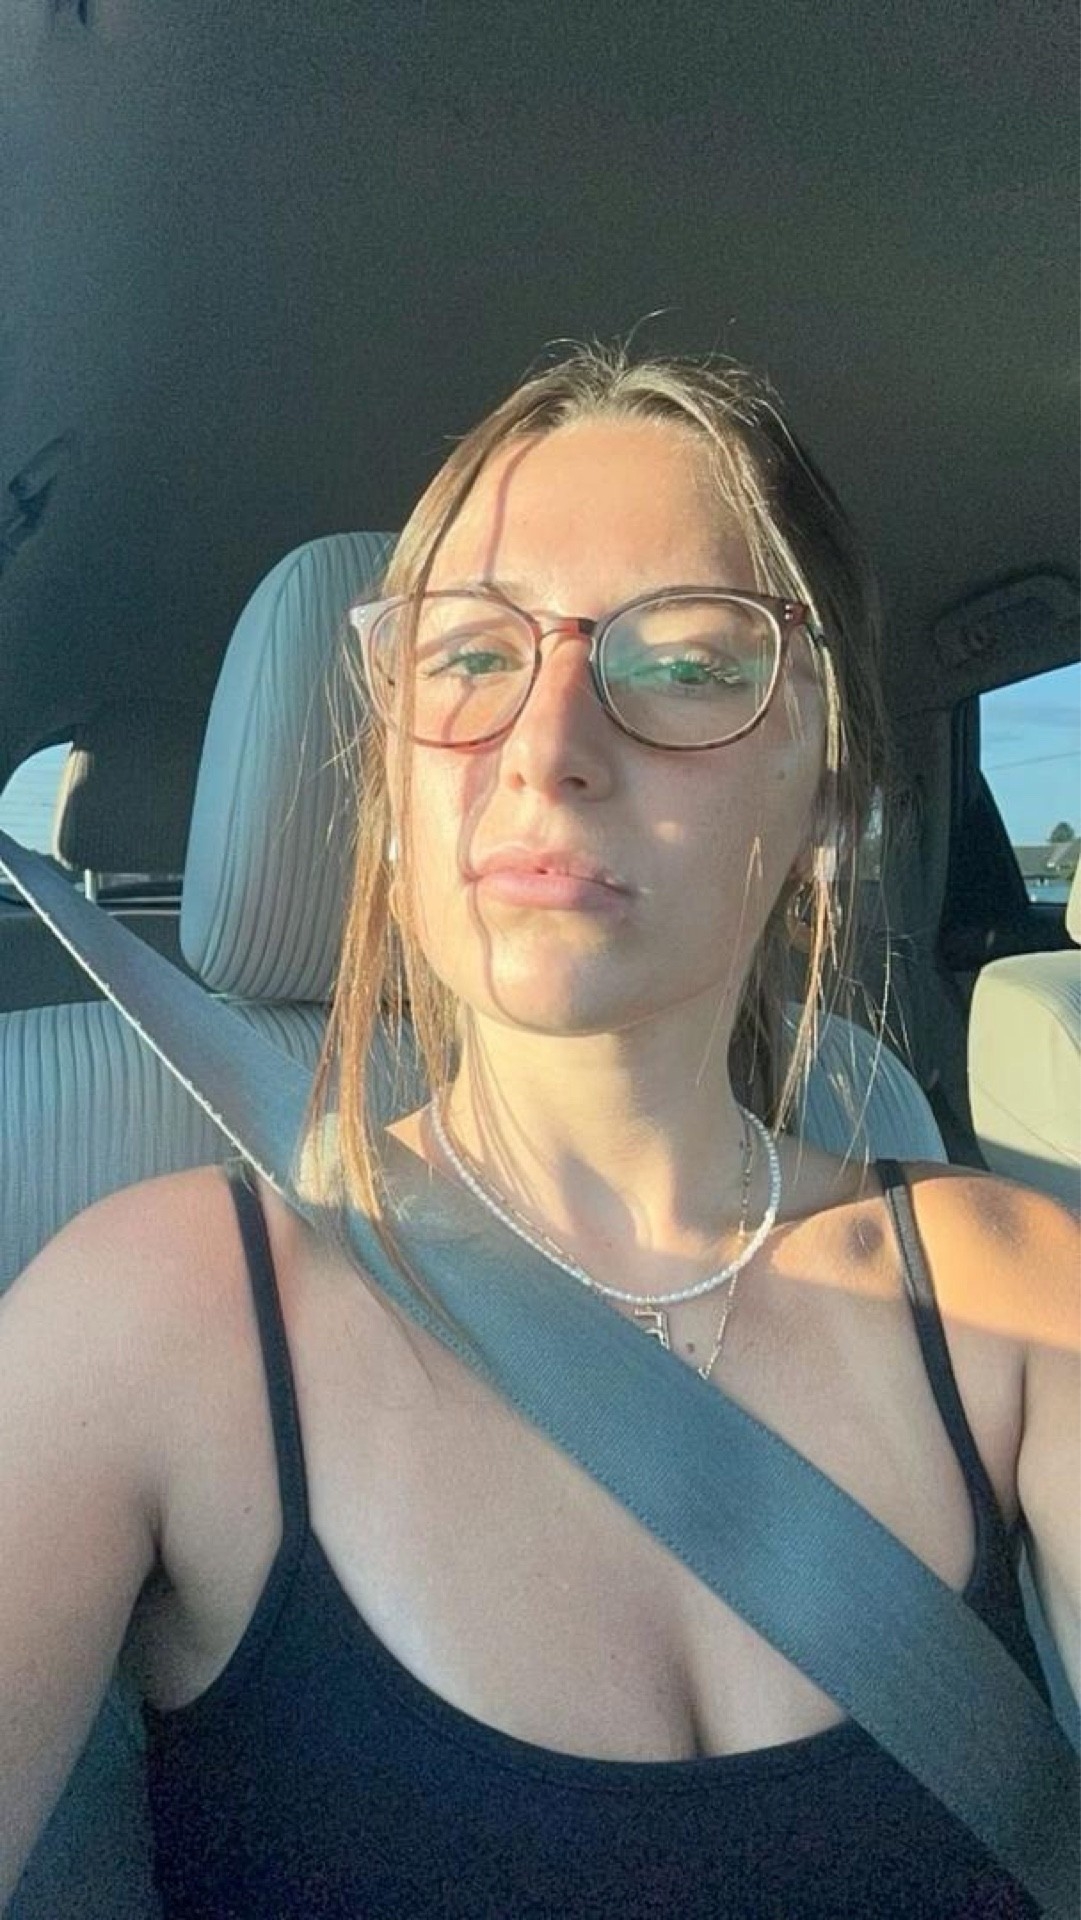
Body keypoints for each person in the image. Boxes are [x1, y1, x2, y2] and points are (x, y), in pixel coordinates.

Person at [1, 344, 1077, 1918]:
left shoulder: (1014, 1298)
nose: (545, 742)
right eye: (467, 653)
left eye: (689, 663)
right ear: (390, 788)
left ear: (831, 797)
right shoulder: (153, 1316)